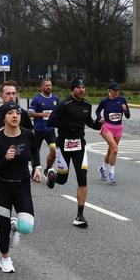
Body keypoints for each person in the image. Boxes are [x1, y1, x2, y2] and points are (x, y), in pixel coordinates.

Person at [0, 102, 43, 273]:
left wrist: (37, 168)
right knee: (3, 228)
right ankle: (5, 259)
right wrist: (6, 158)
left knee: (27, 226)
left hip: (22, 186)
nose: (15, 116)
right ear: (4, 117)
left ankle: (16, 226)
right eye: (10, 113)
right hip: (1, 187)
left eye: (17, 113)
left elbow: (34, 152)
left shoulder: (28, 135)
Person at [46, 78, 102, 227]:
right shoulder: (64, 105)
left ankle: (80, 215)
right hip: (63, 145)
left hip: (79, 146)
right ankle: (52, 176)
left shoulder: (87, 105)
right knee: (62, 179)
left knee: (82, 178)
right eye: (78, 87)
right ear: (73, 90)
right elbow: (50, 122)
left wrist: (99, 123)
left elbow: (90, 123)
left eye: (83, 87)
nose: (82, 90)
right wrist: (68, 125)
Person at [95, 82, 130, 185]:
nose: (116, 92)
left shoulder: (122, 100)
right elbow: (97, 111)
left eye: (118, 90)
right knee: (115, 149)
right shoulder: (105, 101)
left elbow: (127, 115)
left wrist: (125, 109)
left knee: (110, 151)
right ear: (109, 91)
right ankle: (111, 174)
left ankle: (102, 168)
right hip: (107, 127)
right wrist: (99, 118)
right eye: (114, 91)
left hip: (118, 128)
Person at [0, 80, 33, 146]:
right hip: (1, 153)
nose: (11, 96)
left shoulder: (23, 113)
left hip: (20, 151)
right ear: (1, 95)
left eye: (13, 93)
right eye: (8, 94)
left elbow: (31, 133)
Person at [27, 78, 58, 175]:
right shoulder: (37, 99)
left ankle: (47, 168)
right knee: (35, 153)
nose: (49, 87)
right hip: (38, 130)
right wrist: (42, 115)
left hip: (50, 130)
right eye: (47, 85)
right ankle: (34, 169)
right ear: (42, 87)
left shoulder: (55, 98)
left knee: (54, 151)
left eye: (50, 85)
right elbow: (30, 113)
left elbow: (60, 111)